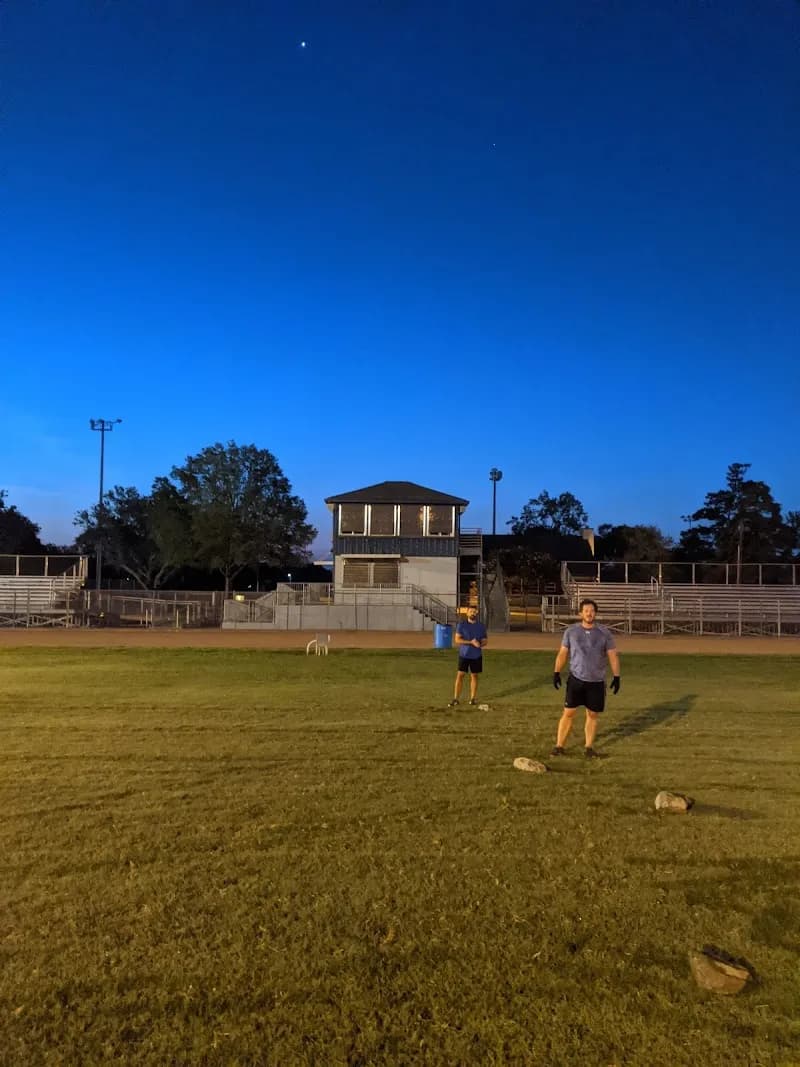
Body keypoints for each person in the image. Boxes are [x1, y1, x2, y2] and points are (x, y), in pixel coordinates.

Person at [551, 598, 620, 758]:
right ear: (580, 613)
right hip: (576, 680)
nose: (589, 613)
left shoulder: (604, 633)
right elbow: (563, 653)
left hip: (596, 682)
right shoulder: (571, 632)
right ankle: (559, 746)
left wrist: (617, 677)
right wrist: (556, 672)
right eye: (586, 611)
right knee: (568, 712)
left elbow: (613, 655)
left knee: (592, 714)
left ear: (595, 613)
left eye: (592, 611)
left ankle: (589, 748)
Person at [448, 605, 488, 706]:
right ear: (467, 613)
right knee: (460, 675)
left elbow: (485, 640)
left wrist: (480, 644)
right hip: (464, 655)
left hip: (476, 655)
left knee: (474, 676)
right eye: (471, 611)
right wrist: (471, 642)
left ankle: (473, 699)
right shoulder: (462, 625)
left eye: (474, 612)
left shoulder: (481, 626)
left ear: (477, 613)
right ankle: (455, 698)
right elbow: (457, 640)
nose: (472, 613)